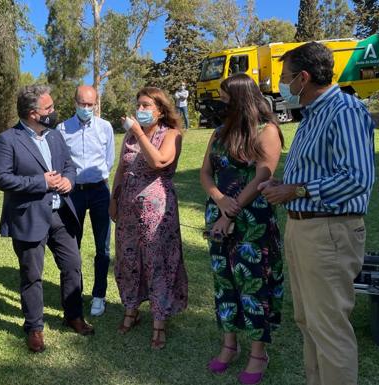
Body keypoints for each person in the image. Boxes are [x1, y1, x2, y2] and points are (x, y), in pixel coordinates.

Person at [260, 42, 375, 385]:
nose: (281, 84)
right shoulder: (313, 115)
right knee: (308, 321)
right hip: (304, 229)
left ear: (304, 78)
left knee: (329, 329)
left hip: (329, 232)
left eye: (285, 77)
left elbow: (357, 178)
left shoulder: (344, 110)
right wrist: (288, 184)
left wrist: (295, 190)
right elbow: (321, 172)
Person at [0, 84, 94, 353]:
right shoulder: (7, 140)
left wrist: (69, 182)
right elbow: (1, 178)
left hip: (60, 214)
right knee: (32, 275)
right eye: (48, 108)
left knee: (73, 265)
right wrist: (41, 182)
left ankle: (73, 315)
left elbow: (69, 166)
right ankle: (34, 327)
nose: (54, 111)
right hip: (29, 217)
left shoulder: (54, 136)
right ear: (32, 113)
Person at [200, 73, 285, 384]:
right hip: (219, 215)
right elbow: (206, 173)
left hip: (252, 221)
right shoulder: (219, 133)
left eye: (225, 97)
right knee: (225, 282)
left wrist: (232, 210)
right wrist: (220, 200)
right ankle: (229, 345)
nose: (221, 102)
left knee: (253, 284)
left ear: (240, 98)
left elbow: (263, 174)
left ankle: (258, 353)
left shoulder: (267, 131)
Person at [110, 86, 188, 350]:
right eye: (138, 105)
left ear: (160, 110)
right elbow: (121, 168)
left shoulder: (171, 134)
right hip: (128, 208)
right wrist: (114, 198)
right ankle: (131, 309)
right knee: (129, 259)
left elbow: (158, 162)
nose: (140, 110)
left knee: (157, 261)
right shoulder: (130, 138)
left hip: (157, 210)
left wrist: (138, 132)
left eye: (146, 106)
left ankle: (159, 320)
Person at [56, 85, 115, 317]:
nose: (86, 108)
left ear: (96, 104)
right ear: (75, 103)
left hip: (100, 190)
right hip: (73, 193)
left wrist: (98, 178)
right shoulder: (62, 129)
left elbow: (109, 160)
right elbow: (60, 161)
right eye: (83, 104)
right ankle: (75, 291)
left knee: (103, 246)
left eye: (91, 104)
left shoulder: (105, 128)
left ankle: (99, 295)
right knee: (72, 245)